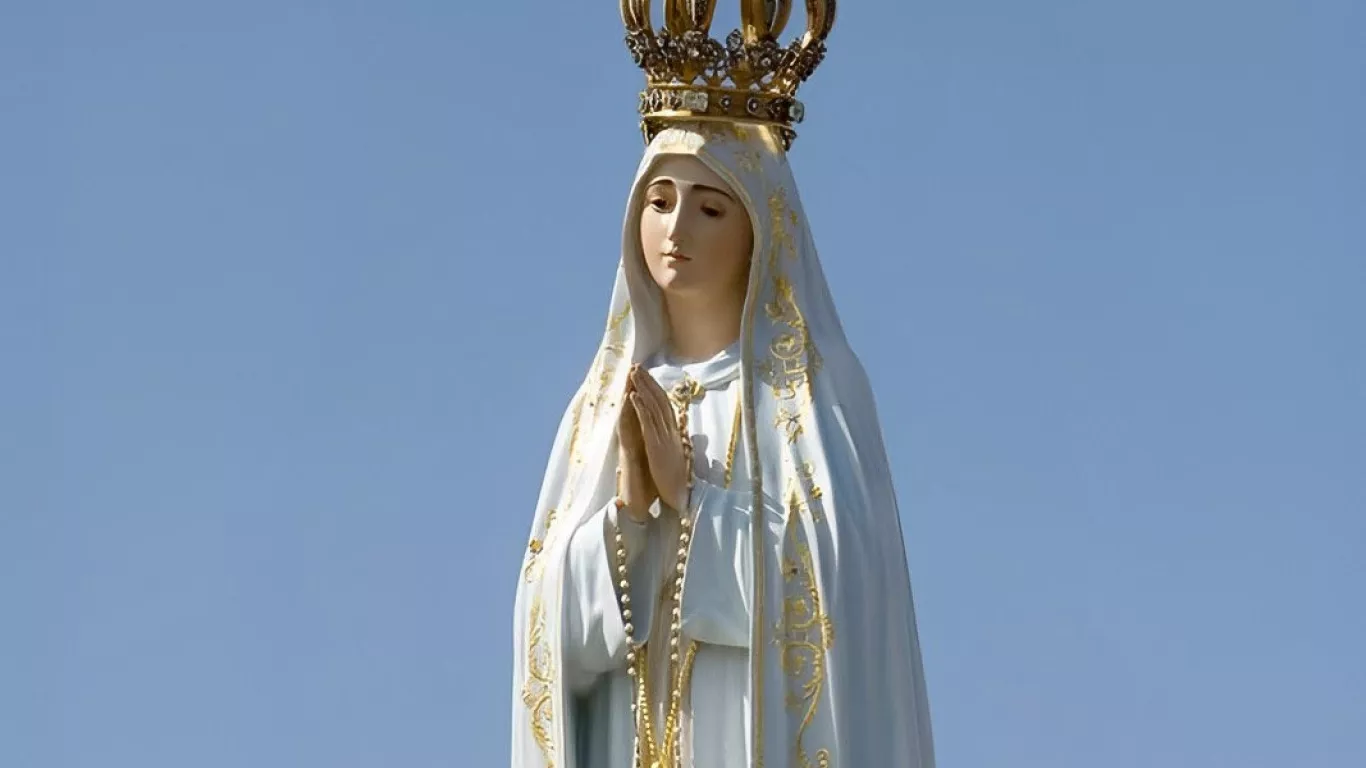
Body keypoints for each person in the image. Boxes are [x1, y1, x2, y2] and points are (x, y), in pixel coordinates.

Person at [512, 4, 935, 767]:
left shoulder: (809, 395)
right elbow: (549, 636)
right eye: (659, 201)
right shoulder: (600, 407)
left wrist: (693, 501)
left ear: (762, 230)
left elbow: (843, 596)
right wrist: (627, 515)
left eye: (710, 208)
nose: (676, 230)